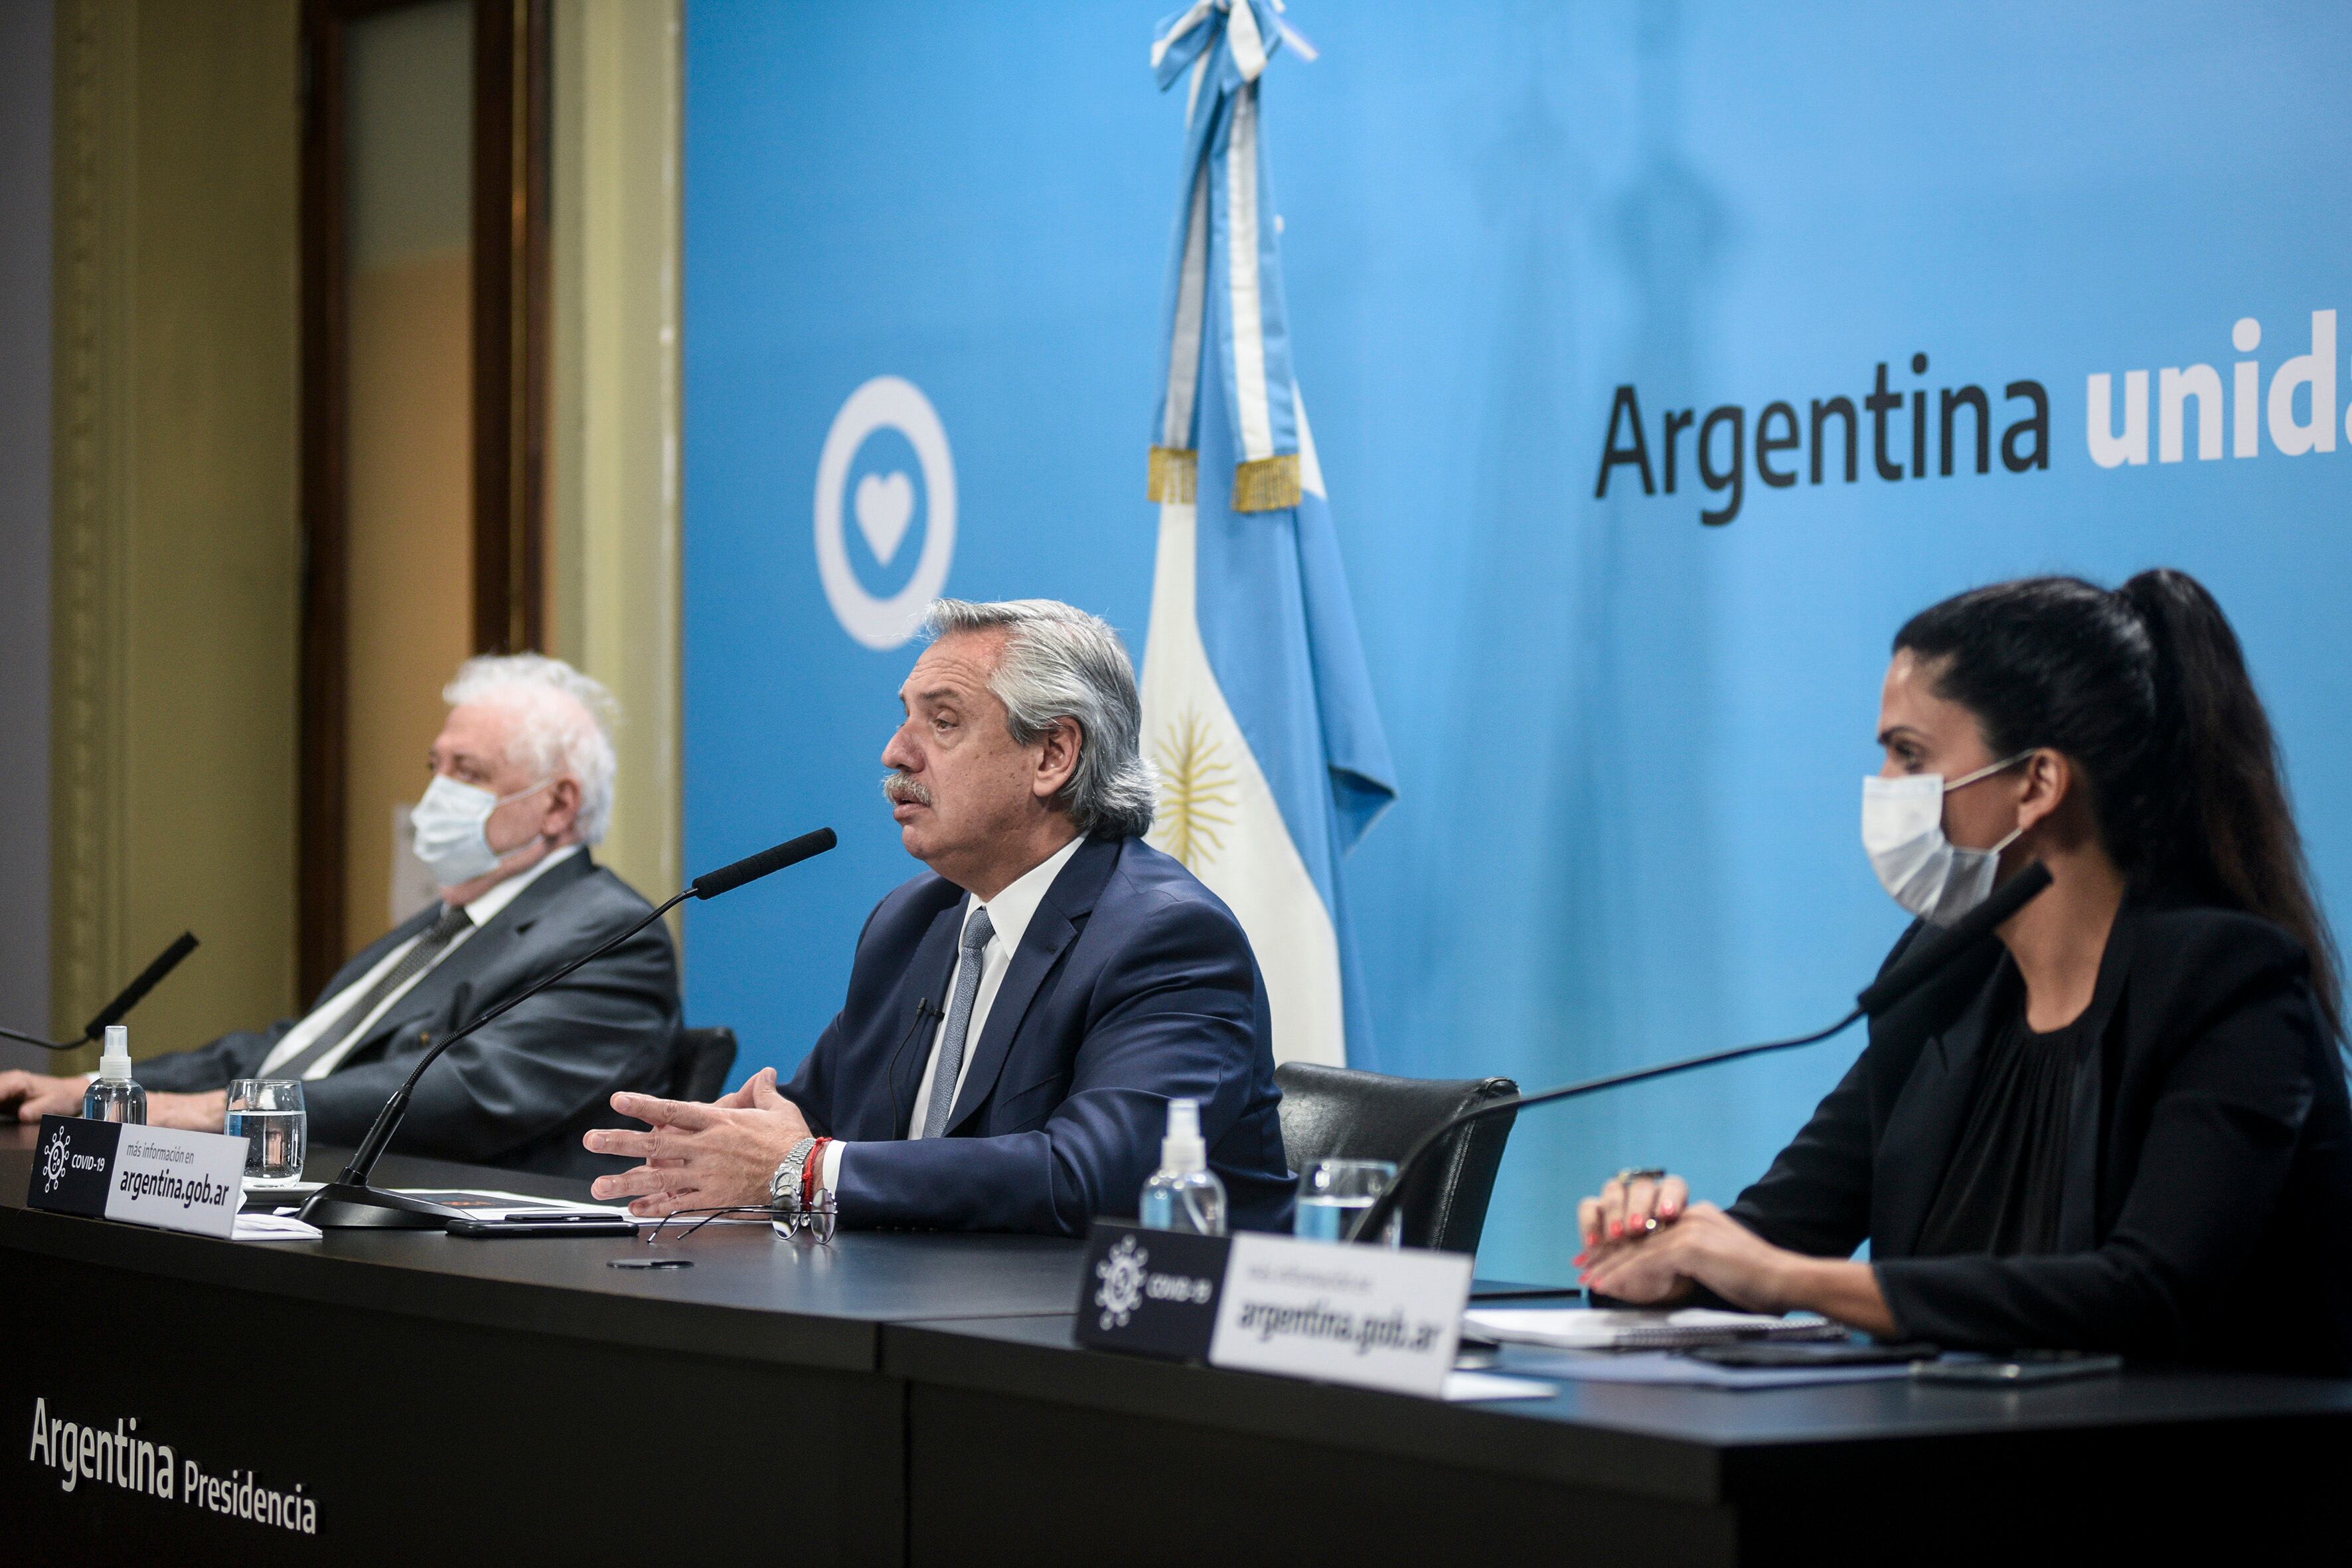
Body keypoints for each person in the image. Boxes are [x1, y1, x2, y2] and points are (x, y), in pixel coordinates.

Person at [1575, 570, 2352, 1372]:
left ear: (2038, 783)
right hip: (1956, 1441)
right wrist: (1666, 1259)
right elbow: (1778, 1233)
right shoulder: (1943, 979)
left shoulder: (2227, 984)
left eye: (1909, 754)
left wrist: (1789, 1280)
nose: (1883, 789)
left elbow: (2147, 1292)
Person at [586, 597, 1294, 1234]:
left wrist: (807, 1169)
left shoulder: (1166, 938)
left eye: (944, 721)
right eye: (905, 716)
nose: (896, 752)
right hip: (918, 1309)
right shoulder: (911, 923)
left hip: (1126, 1330)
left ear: (1053, 754)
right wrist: (729, 1149)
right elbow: (814, 1124)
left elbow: (1090, 1177)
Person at [0, 655, 681, 1179]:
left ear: (558, 805)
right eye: (436, 766)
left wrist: (213, 1113)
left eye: (468, 772)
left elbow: (468, 1092)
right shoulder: (449, 919)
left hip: (456, 1254)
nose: (436, 792)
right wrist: (99, 1090)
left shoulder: (609, 932)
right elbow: (296, 1050)